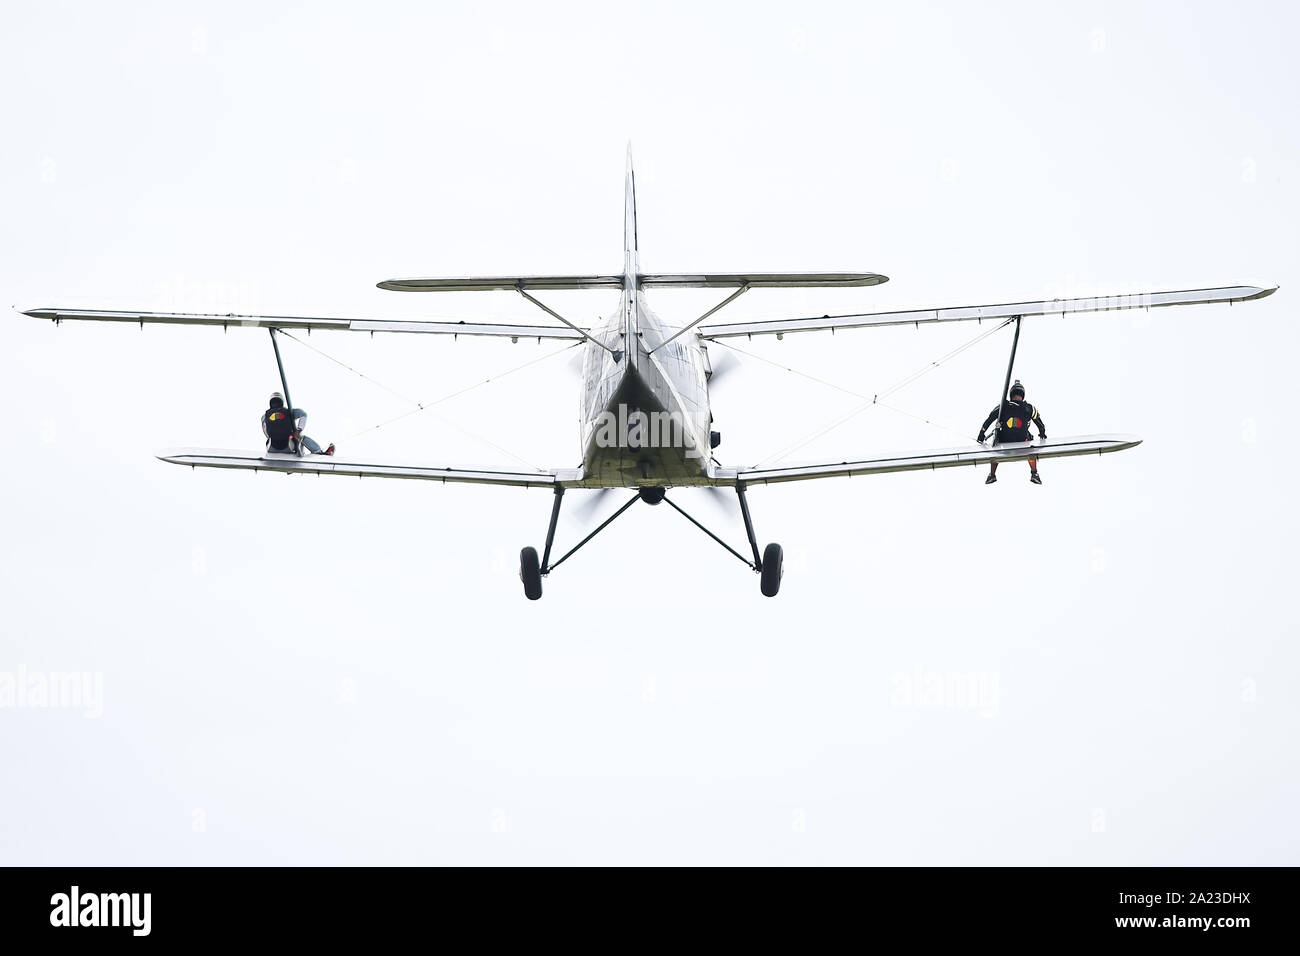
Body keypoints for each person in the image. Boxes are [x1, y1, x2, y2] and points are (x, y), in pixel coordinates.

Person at [976, 380, 1045, 484]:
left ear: (1011, 394)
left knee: (996, 439)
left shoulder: (1003, 406)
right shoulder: (1029, 408)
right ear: (1023, 395)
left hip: (1005, 440)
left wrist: (981, 434)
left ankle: (992, 474)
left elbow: (989, 420)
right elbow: (1040, 424)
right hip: (1022, 440)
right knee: (1030, 444)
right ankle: (1034, 473)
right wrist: (1042, 434)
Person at [262, 391, 334, 456]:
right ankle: (318, 452)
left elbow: (265, 431)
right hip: (289, 446)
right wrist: (298, 430)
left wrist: (273, 436)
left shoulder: (265, 416)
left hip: (271, 447)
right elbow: (303, 414)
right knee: (301, 437)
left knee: (274, 438)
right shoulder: (289, 412)